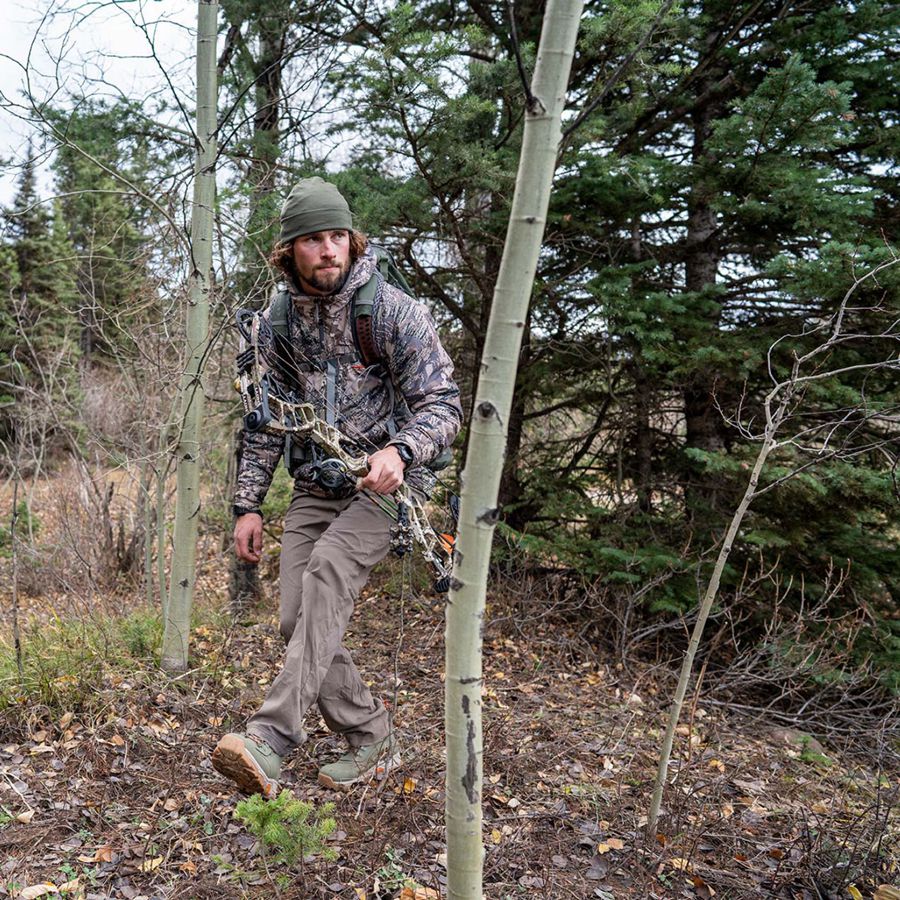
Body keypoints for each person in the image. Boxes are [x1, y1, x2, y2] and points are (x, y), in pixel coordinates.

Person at [212, 177, 462, 796]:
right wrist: (247, 505)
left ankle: (270, 739)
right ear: (289, 251)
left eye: (336, 237)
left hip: (389, 487)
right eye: (312, 240)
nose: (328, 250)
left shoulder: (393, 312)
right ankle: (374, 737)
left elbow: (444, 403)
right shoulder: (275, 323)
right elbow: (267, 420)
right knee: (294, 615)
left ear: (351, 241)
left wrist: (401, 451)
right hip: (317, 483)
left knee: (327, 571)